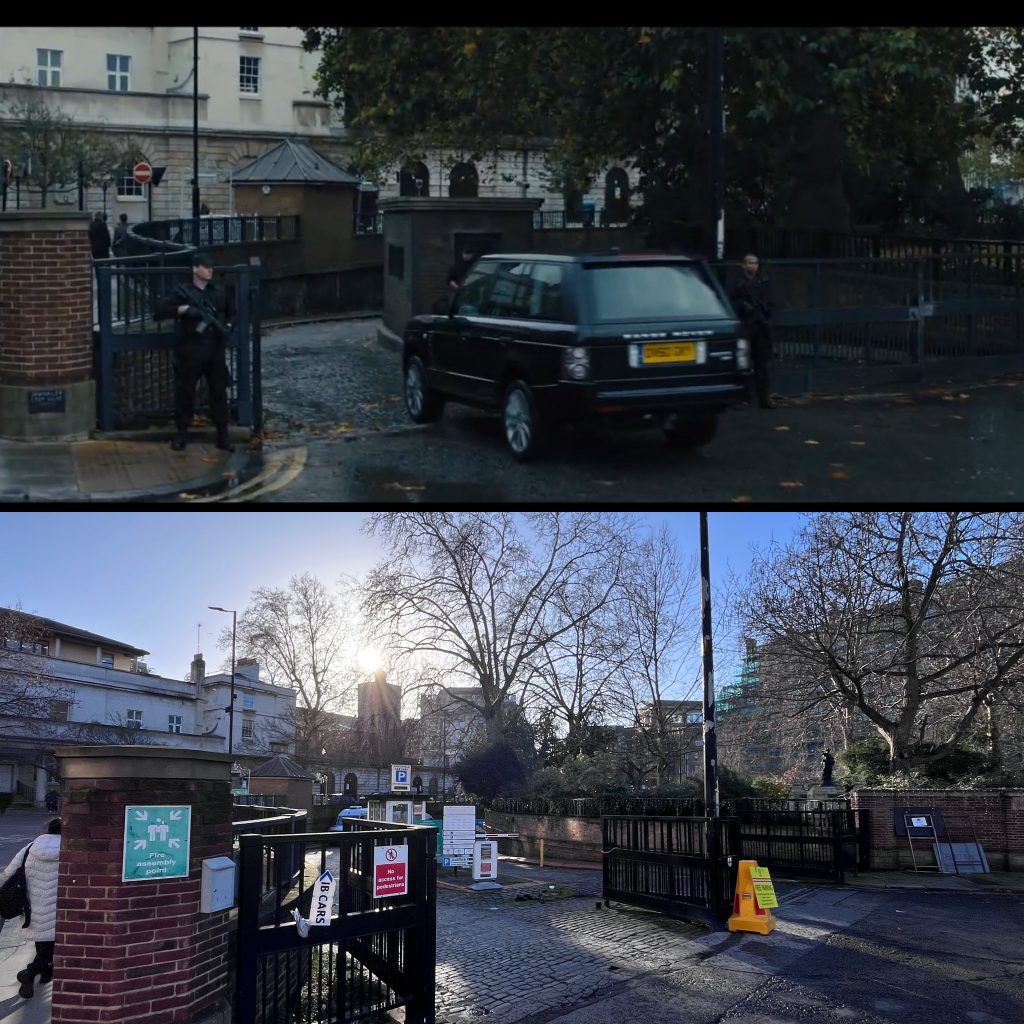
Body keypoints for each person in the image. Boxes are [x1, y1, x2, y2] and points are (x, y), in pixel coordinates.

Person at [156, 251, 235, 452]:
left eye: (211, 267)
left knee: (218, 393)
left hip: (214, 349)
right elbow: (159, 311)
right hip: (190, 349)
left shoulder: (217, 292)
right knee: (185, 393)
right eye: (205, 266)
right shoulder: (182, 292)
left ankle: (223, 435)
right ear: (195, 269)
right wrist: (182, 310)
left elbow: (231, 313)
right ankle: (182, 434)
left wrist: (226, 325)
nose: (210, 270)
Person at [0, 817, 61, 1000]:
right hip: (58, 902)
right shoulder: (70, 848)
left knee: (41, 937)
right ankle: (31, 972)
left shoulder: (30, 847)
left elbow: (9, 872)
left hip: (32, 903)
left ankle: (46, 973)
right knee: (51, 943)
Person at [730, 253, 775, 409]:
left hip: (761, 326)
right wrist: (743, 307)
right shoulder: (738, 282)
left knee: (762, 364)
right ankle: (744, 398)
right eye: (750, 263)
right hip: (746, 325)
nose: (753, 266)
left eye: (755, 263)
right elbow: (733, 301)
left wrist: (766, 317)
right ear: (743, 265)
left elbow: (769, 302)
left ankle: (764, 398)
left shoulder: (763, 280)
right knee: (744, 363)